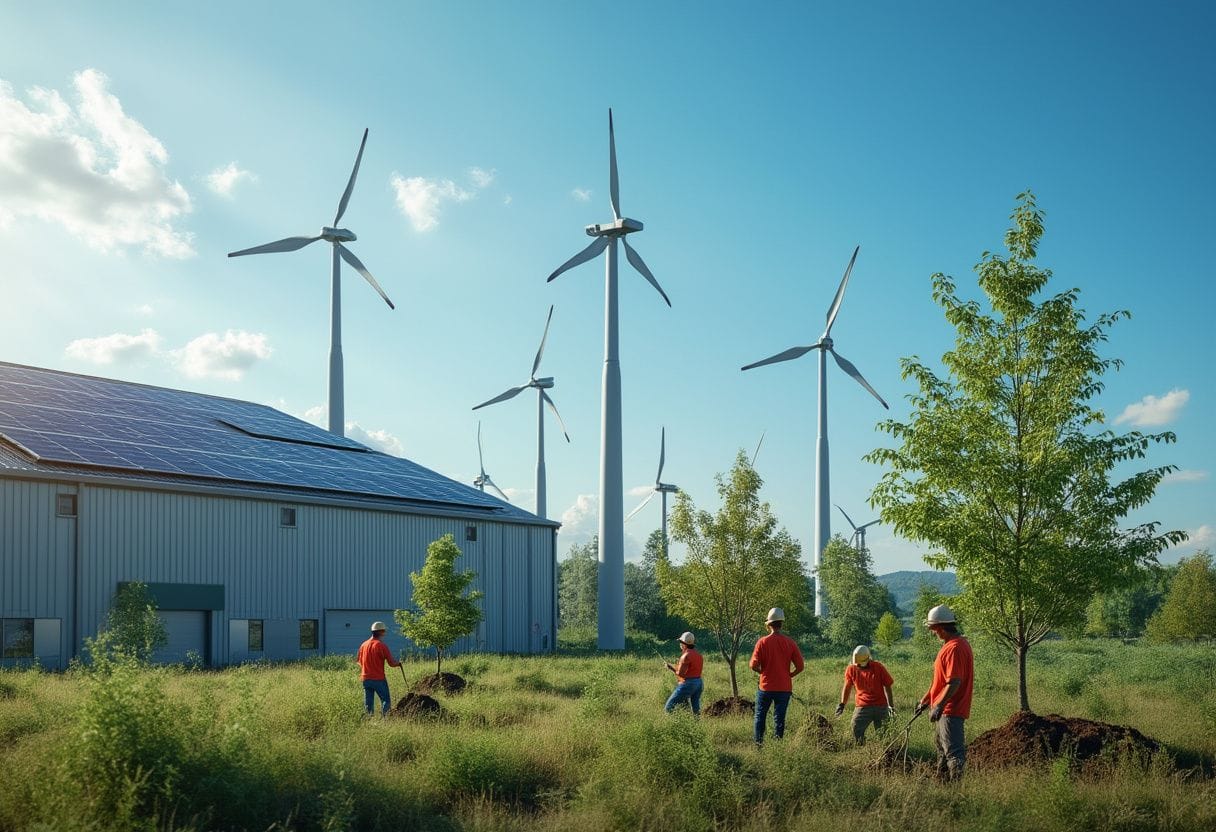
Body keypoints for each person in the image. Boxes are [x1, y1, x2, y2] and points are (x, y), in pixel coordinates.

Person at [914, 604, 974, 780]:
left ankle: (957, 789)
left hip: (950, 710)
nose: (933, 633)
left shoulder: (955, 648)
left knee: (954, 753)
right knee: (941, 750)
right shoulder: (951, 645)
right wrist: (926, 701)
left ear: (940, 627)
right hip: (945, 709)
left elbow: (954, 682)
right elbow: (940, 682)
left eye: (933, 629)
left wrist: (939, 705)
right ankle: (942, 786)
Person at [749, 607, 804, 744]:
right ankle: (777, 745)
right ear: (781, 624)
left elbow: (753, 665)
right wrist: (789, 675)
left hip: (765, 687)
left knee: (760, 716)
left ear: (769, 625)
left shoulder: (762, 642)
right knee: (779, 719)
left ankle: (758, 745)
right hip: (784, 688)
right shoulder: (790, 643)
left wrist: (762, 672)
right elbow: (800, 666)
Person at [834, 644, 895, 745]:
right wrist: (842, 704)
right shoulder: (851, 669)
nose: (857, 665)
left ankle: (884, 751)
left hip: (881, 706)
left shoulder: (878, 667)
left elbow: (888, 686)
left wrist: (891, 706)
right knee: (855, 728)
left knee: (884, 735)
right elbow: (847, 688)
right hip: (862, 707)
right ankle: (862, 748)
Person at [357, 621, 401, 716]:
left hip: (365, 679)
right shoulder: (381, 645)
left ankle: (369, 720)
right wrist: (399, 664)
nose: (385, 633)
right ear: (380, 632)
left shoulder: (363, 645)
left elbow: (360, 663)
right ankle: (385, 719)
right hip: (378, 679)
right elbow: (391, 663)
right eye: (384, 631)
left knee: (368, 704)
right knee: (386, 700)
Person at [663, 631, 704, 716]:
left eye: (680, 642)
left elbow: (681, 674)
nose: (680, 644)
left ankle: (673, 723)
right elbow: (692, 671)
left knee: (668, 707)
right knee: (695, 710)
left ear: (684, 644)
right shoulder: (699, 655)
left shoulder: (685, 656)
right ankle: (695, 723)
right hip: (699, 683)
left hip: (688, 684)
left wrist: (671, 668)